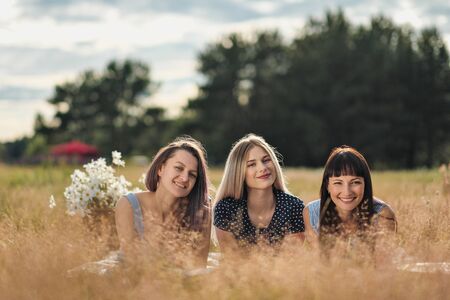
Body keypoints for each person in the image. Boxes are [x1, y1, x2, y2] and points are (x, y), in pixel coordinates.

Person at [115, 136, 211, 268]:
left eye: (192, 174)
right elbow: (132, 265)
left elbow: (199, 268)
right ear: (161, 169)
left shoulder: (201, 213)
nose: (184, 178)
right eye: (178, 168)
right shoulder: (129, 205)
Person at [213, 134, 305, 256]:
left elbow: (288, 264)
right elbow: (233, 263)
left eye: (266, 160)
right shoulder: (226, 208)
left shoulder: (295, 208)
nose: (263, 168)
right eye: (251, 164)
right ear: (239, 172)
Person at [303, 145, 396, 260]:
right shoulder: (312, 213)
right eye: (338, 183)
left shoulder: (383, 214)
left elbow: (382, 266)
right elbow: (321, 264)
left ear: (365, 184)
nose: (347, 192)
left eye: (355, 182)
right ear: (327, 185)